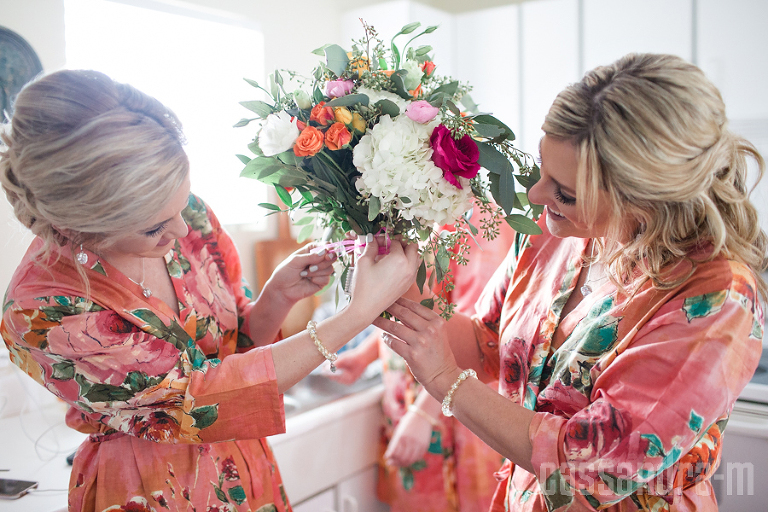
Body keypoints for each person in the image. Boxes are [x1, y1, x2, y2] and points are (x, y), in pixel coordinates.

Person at [0, 69, 419, 512]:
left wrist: (276, 297)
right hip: (151, 490)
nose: (181, 229)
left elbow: (231, 355)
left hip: (245, 470)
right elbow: (200, 401)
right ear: (81, 227)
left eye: (180, 204)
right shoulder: (44, 308)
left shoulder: (192, 218)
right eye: (154, 228)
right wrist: (355, 315)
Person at [374, 53, 767, 511]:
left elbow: (593, 464)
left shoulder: (715, 297)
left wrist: (445, 382)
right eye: (542, 170)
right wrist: (392, 282)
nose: (537, 196)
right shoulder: (550, 235)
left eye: (566, 193)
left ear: (642, 201)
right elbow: (487, 344)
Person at [329, 203, 512, 512]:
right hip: (411, 402)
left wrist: (424, 413)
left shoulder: (482, 223)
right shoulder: (413, 214)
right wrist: (364, 357)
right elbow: (414, 310)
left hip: (450, 411)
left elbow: (479, 341)